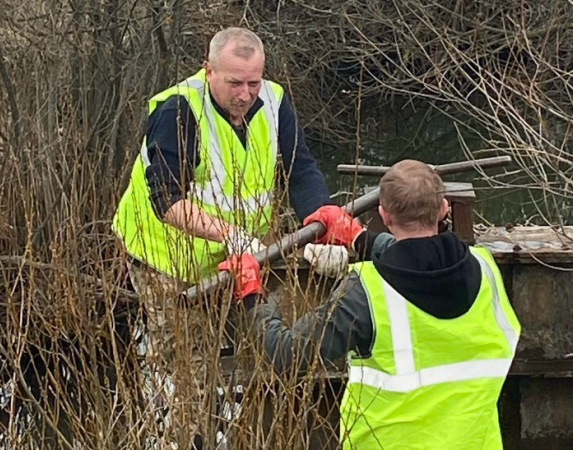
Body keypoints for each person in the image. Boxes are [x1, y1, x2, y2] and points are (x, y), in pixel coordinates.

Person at [111, 27, 344, 448]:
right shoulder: (178, 111)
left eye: (253, 81)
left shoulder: (273, 102)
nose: (246, 93)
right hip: (170, 261)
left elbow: (301, 169)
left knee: (268, 352)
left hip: (242, 258)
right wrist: (231, 235)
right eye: (235, 82)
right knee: (189, 375)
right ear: (209, 70)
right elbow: (167, 200)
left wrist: (320, 223)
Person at [220, 159, 522, 449]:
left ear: (385, 215)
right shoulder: (484, 269)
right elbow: (424, 259)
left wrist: (250, 294)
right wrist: (360, 239)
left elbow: (288, 353)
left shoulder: (367, 291)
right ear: (443, 208)